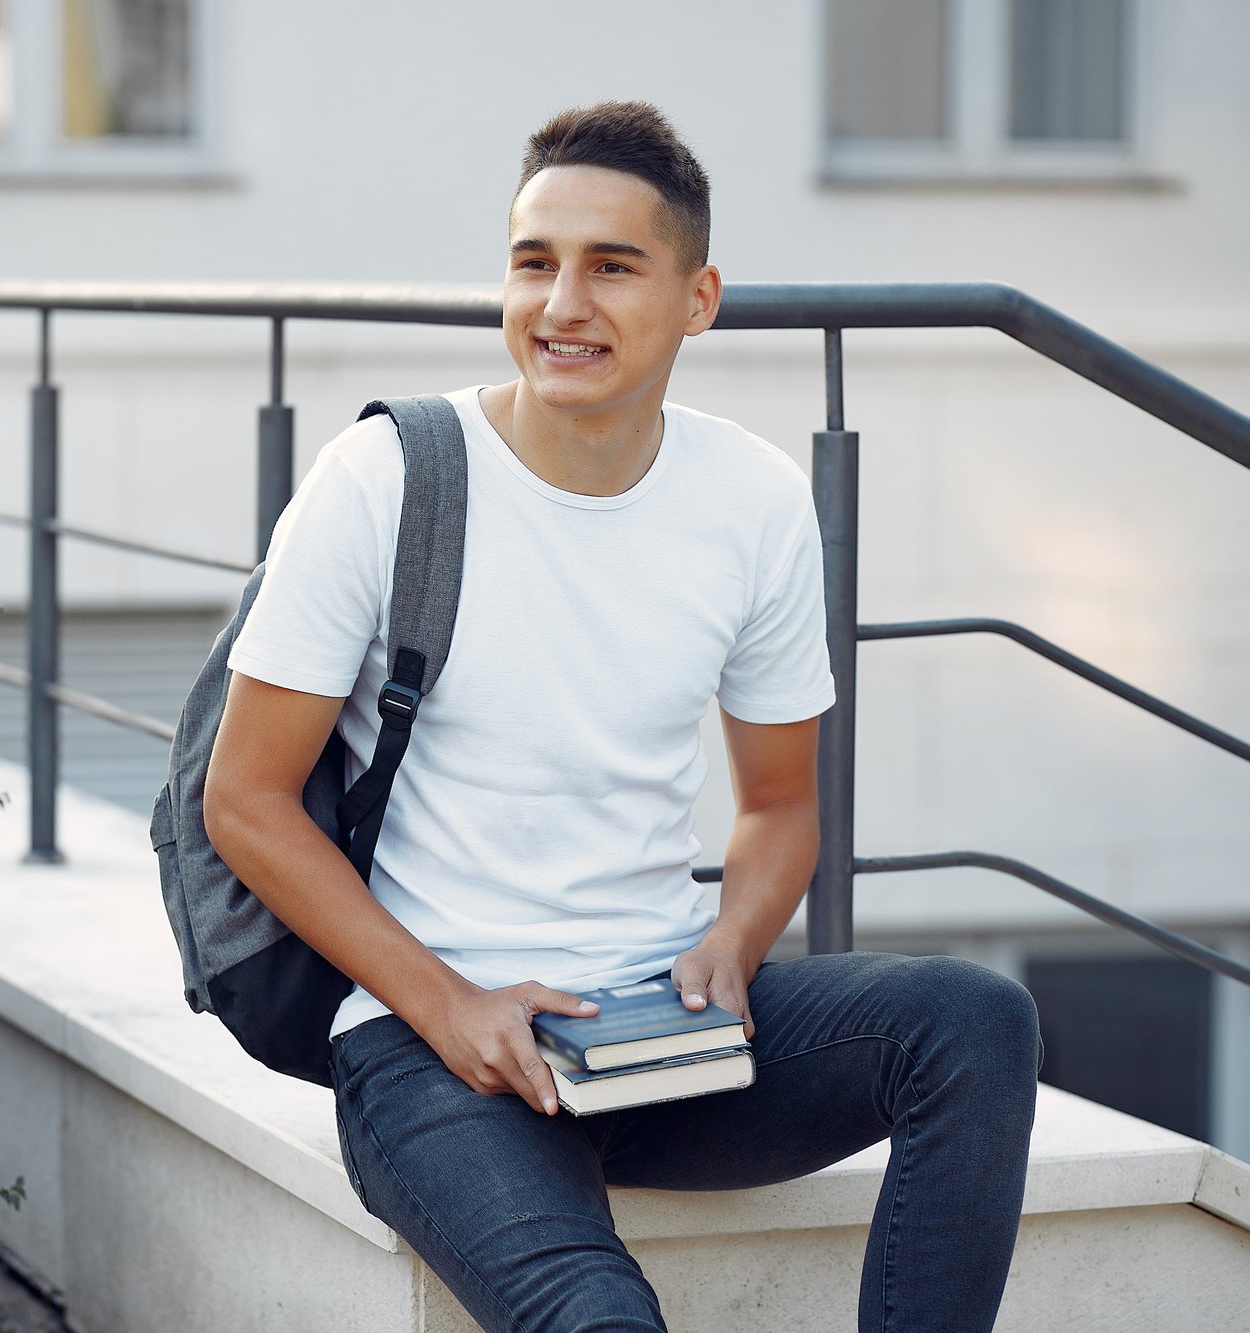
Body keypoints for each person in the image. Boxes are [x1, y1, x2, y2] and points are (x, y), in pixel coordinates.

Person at [204, 100, 1040, 1333]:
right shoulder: (385, 480)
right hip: (433, 1047)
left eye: (610, 267)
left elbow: (778, 805)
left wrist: (734, 943)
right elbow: (247, 801)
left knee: (975, 1019)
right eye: (533, 262)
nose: (560, 305)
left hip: (660, 1031)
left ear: (696, 298)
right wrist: (449, 1005)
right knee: (598, 1319)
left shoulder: (749, 498)